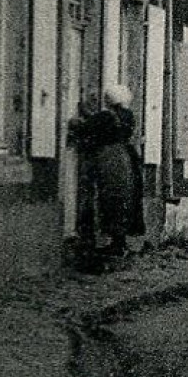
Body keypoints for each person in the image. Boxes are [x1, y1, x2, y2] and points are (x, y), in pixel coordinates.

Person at [68, 84, 145, 270]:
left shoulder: (107, 116)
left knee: (109, 197)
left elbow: (85, 127)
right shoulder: (128, 116)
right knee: (124, 197)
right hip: (126, 157)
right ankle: (120, 242)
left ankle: (112, 243)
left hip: (109, 158)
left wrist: (77, 121)